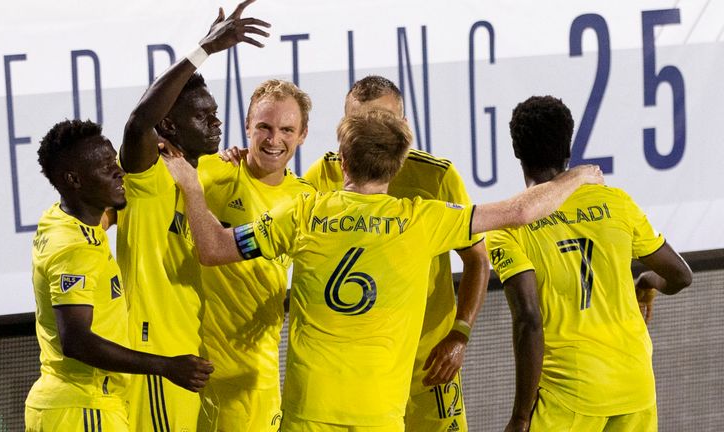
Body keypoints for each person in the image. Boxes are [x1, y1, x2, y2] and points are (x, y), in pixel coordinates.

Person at [165, 108, 604, 431]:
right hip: (380, 414)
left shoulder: (304, 214)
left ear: (341, 158)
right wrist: (577, 176)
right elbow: (523, 211)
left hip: (309, 409)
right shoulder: (423, 219)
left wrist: (189, 185)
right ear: (399, 164)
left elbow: (213, 248)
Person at [221, 75, 490, 430]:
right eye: (360, 122)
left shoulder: (437, 177)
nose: (373, 133)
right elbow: (277, 201)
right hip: (348, 379)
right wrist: (245, 163)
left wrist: (460, 333)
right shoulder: (326, 171)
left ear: (404, 126)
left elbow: (477, 259)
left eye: (384, 121)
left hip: (427, 362)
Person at [487, 95, 693, 432]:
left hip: (569, 395)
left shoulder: (508, 227)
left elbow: (528, 321)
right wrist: (648, 283)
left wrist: (521, 415)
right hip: (634, 384)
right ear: (568, 149)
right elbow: (681, 275)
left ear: (516, 152)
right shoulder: (617, 203)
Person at [115, 1, 269, 430]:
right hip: (156, 357)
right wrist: (203, 49)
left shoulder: (195, 182)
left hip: (186, 354)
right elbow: (136, 123)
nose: (216, 124)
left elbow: (226, 243)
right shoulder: (151, 176)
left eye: (216, 113)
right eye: (203, 116)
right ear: (168, 127)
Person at [25, 119, 213, 432]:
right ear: (73, 180)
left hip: (68, 407)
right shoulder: (75, 250)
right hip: (85, 408)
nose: (119, 172)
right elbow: (75, 340)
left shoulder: (59, 219)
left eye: (115, 161)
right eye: (105, 167)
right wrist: (166, 366)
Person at [195, 79, 314, 430]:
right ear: (247, 126)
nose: (273, 140)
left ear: (303, 134)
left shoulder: (307, 200)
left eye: (286, 129)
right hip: (188, 367)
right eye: (263, 126)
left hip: (252, 375)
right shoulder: (212, 172)